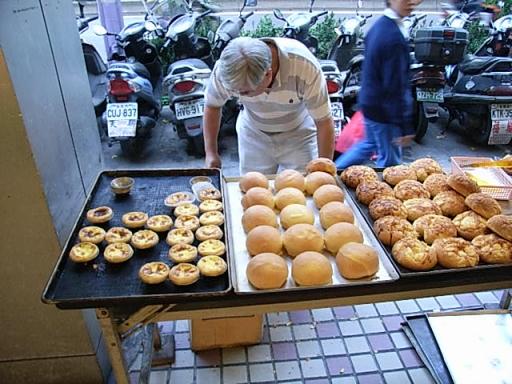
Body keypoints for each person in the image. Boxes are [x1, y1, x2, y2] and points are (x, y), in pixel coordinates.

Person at [203, 36, 335, 174]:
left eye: (245, 92)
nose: (239, 95)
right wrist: (211, 153)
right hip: (253, 133)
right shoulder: (227, 69)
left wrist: (324, 172)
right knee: (253, 190)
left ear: (268, 74)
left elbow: (324, 121)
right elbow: (212, 105)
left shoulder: (304, 66)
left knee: (301, 189)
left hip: (299, 134)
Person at [335, 0, 421, 169]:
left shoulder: (378, 27)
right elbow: (394, 86)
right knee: (390, 166)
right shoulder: (393, 36)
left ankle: (334, 172)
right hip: (385, 111)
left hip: (371, 104)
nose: (412, 2)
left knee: (367, 145)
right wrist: (403, 125)